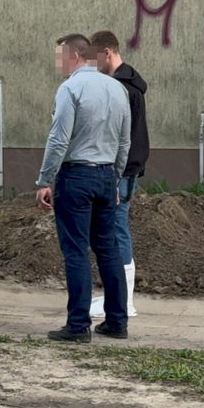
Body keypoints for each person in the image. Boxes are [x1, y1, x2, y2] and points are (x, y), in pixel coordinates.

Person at [36, 34, 132, 343]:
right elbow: (124, 140)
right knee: (109, 249)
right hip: (106, 176)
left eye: (60, 56)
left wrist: (44, 180)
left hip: (75, 176)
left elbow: (59, 138)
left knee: (75, 250)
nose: (58, 64)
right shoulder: (117, 88)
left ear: (75, 55)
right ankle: (117, 321)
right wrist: (115, 178)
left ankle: (78, 325)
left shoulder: (71, 88)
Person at [89, 30, 149, 319]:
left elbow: (118, 135)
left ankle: (123, 300)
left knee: (115, 229)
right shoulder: (130, 85)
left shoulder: (120, 88)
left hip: (120, 170)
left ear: (108, 53)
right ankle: (119, 296)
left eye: (95, 57)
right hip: (127, 168)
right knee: (115, 228)